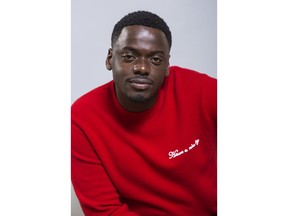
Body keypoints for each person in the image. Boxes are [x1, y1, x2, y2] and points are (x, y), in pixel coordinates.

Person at [71, 11, 217, 216]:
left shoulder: (201, 90)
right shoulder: (81, 119)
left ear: (167, 66)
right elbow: (106, 211)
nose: (141, 68)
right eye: (129, 57)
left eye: (156, 59)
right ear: (110, 59)